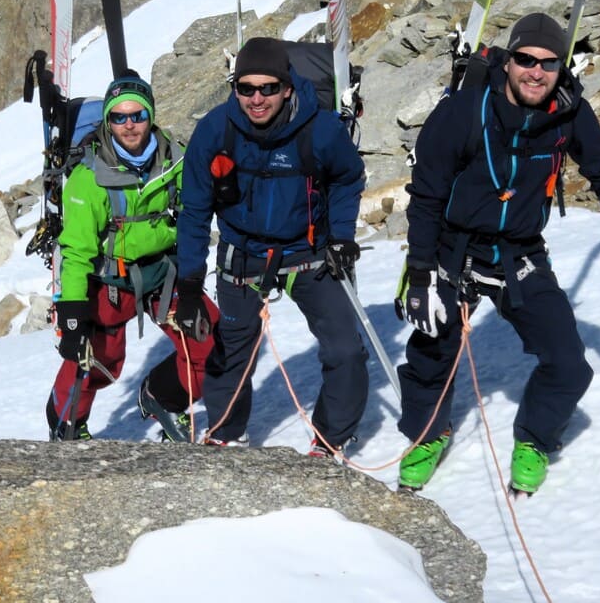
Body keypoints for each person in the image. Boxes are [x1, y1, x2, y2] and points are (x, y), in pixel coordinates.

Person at [395, 13, 600, 494]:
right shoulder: (464, 111)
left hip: (518, 252)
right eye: (525, 60)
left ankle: (535, 440)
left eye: (548, 63)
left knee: (568, 363)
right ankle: (426, 435)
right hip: (450, 248)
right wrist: (420, 276)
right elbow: (427, 196)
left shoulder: (569, 112)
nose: (535, 72)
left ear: (562, 67)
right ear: (509, 61)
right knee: (432, 349)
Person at [175, 37, 368, 457]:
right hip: (241, 255)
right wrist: (189, 286)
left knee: (345, 349)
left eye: (267, 88)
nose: (257, 99)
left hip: (309, 251)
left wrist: (341, 235)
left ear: (286, 86)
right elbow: (193, 211)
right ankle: (226, 432)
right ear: (235, 88)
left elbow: (347, 178)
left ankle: (331, 439)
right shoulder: (214, 130)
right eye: (246, 88)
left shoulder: (320, 129)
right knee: (229, 351)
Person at [47, 72, 219, 443]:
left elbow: (195, 214)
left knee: (212, 344)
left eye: (137, 115)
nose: (129, 125)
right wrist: (72, 313)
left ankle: (164, 397)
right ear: (108, 121)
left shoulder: (175, 159)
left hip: (163, 273)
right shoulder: (88, 178)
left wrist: (191, 285)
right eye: (119, 117)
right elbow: (76, 252)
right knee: (97, 362)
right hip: (107, 283)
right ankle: (66, 422)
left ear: (151, 115)